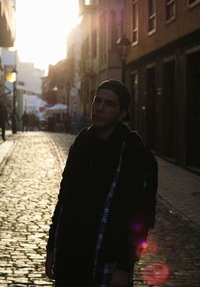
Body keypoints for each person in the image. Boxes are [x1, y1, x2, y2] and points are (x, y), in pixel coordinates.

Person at [45, 80, 158, 287]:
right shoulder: (81, 144)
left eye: (109, 103)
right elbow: (64, 199)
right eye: (97, 100)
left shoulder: (135, 154)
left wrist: (125, 266)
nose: (99, 108)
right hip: (71, 256)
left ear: (122, 113)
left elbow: (142, 216)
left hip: (107, 259)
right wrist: (52, 246)